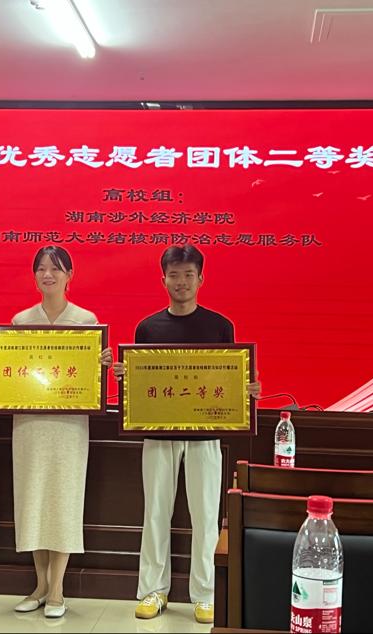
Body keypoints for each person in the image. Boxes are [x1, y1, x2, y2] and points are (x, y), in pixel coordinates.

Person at [113, 245, 261, 624]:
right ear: (163, 279)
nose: (181, 282)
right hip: (158, 432)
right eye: (174, 275)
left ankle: (206, 594)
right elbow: (141, 384)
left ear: (201, 279)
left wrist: (246, 390)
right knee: (155, 512)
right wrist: (125, 378)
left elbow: (228, 380)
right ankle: (153, 590)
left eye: (188, 275)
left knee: (206, 515)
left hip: (206, 434)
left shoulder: (220, 326)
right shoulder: (147, 328)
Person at [1, 246, 112, 619]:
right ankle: (39, 585)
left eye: (56, 268)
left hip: (68, 424)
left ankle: (58, 589)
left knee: (63, 500)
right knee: (33, 500)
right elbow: (10, 372)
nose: (48, 274)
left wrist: (101, 364)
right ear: (34, 275)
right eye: (41, 269)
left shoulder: (85, 320)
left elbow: (90, 378)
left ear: (69, 275)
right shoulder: (20, 321)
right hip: (30, 423)